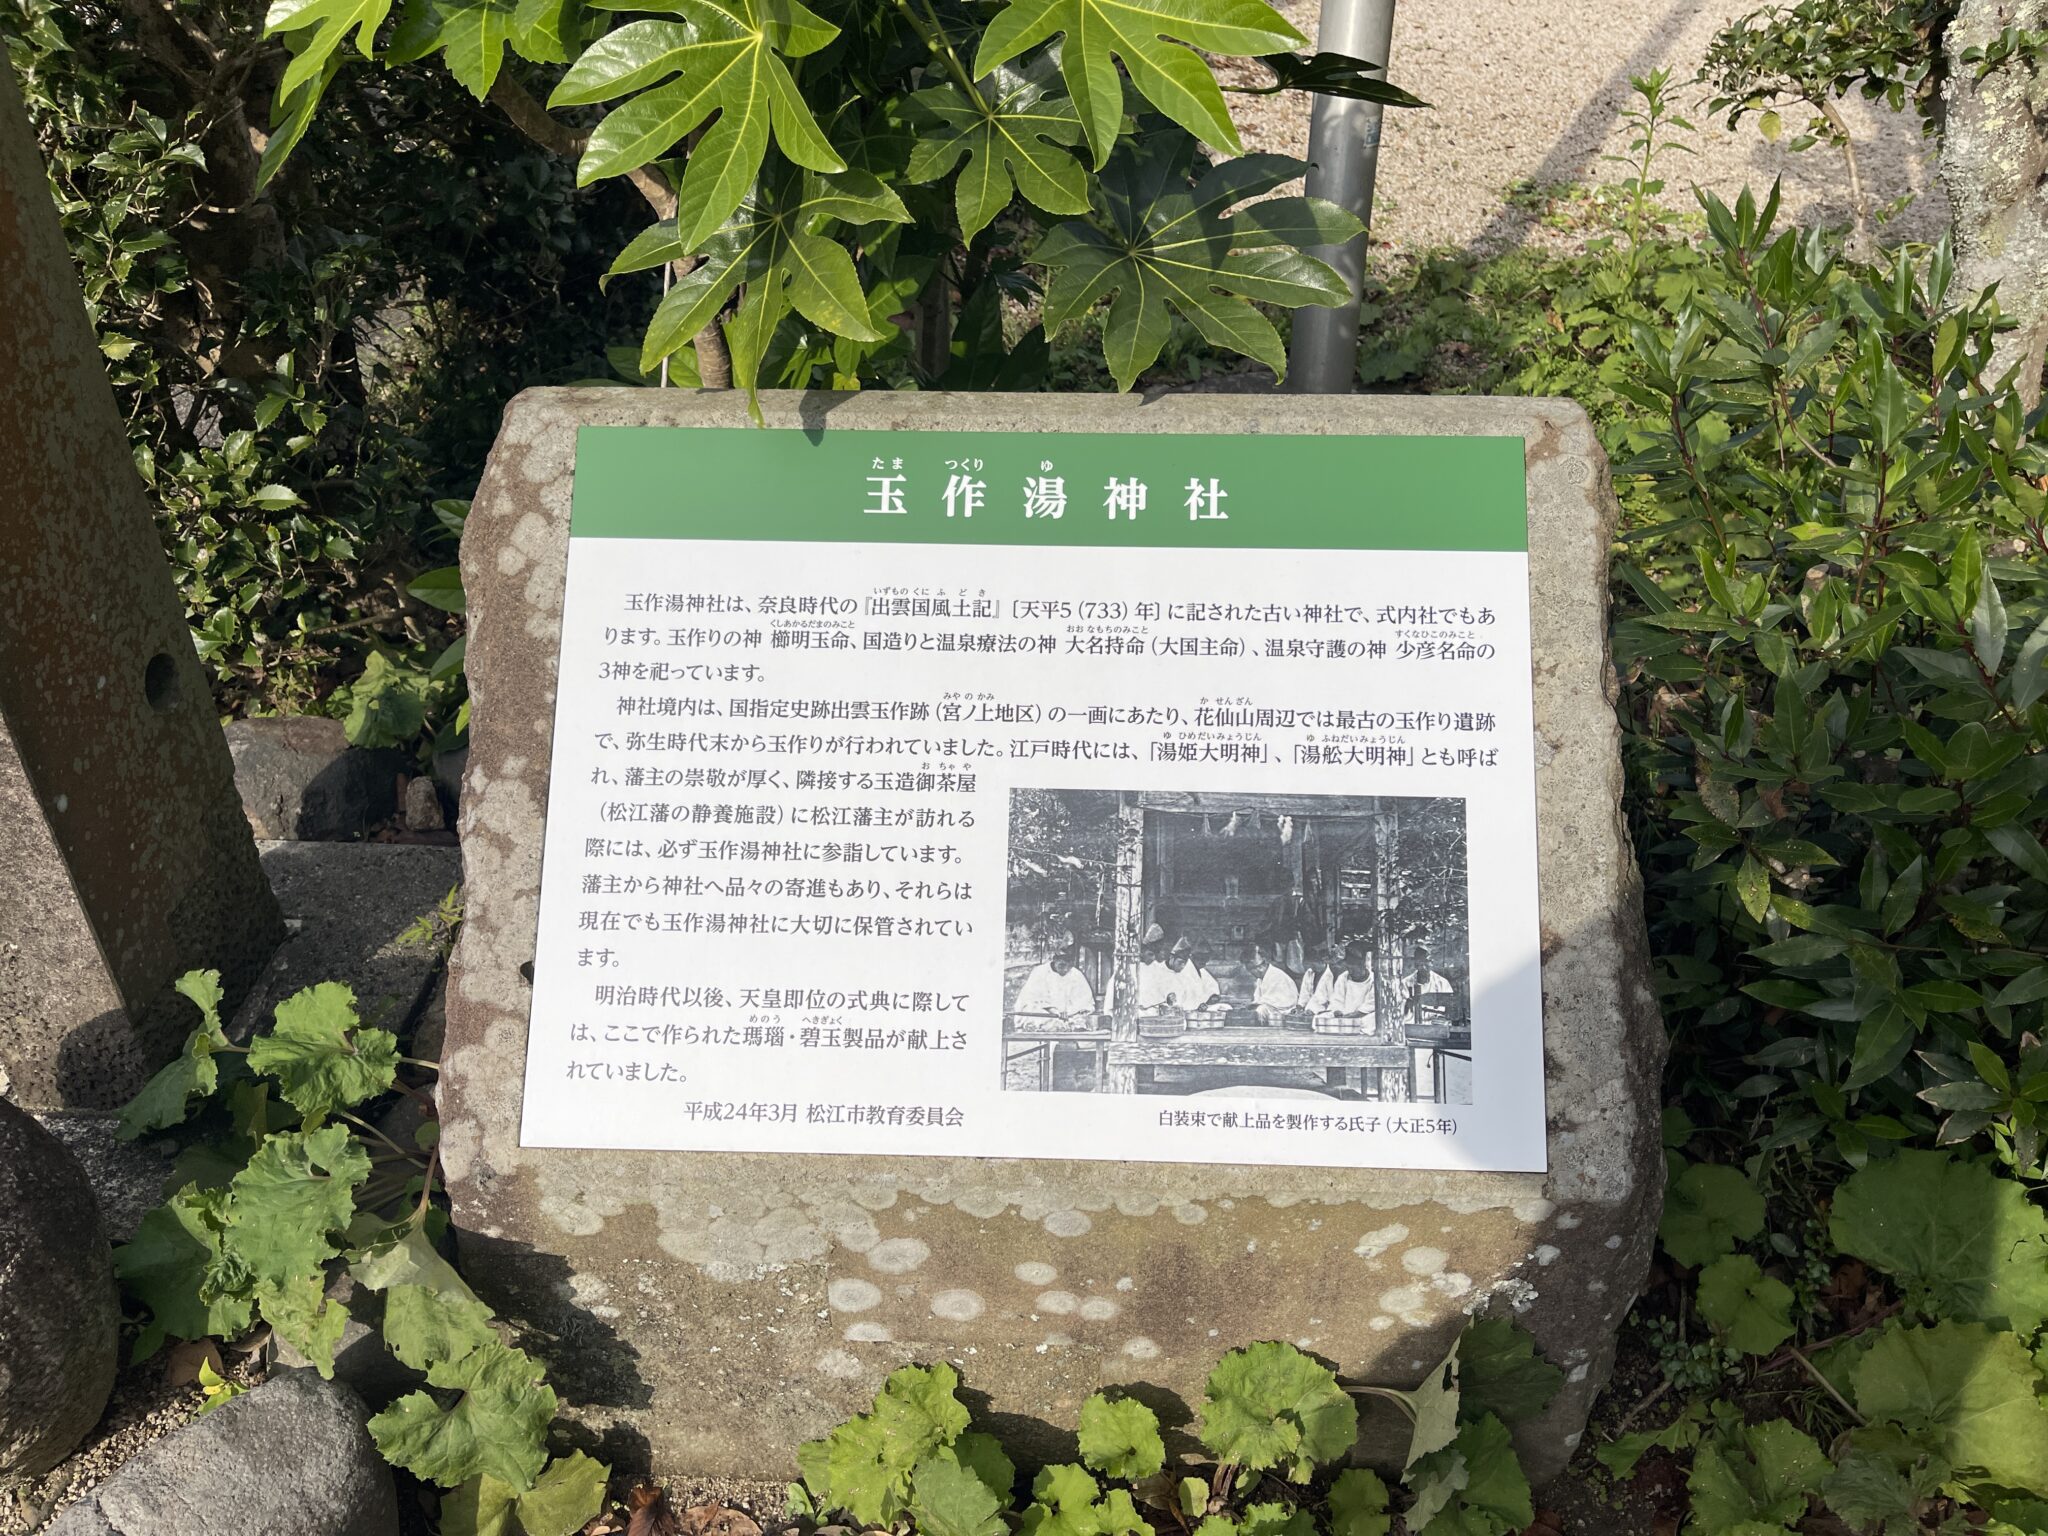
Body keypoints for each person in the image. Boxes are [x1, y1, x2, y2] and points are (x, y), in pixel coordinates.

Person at [1012, 941, 1096, 1028]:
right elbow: (1031, 998)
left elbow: (1084, 1000)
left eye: (1069, 966)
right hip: (1045, 1014)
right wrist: (1053, 1010)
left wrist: (1069, 1012)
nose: (1065, 970)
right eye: (1062, 965)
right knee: (1035, 1016)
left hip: (1069, 1015)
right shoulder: (1040, 972)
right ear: (1055, 960)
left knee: (1079, 1022)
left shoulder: (1076, 974)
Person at [1324, 940, 1377, 1032]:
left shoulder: (1373, 980)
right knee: (1321, 1017)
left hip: (1362, 1017)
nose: (1350, 971)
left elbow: (1370, 1006)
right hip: (1344, 1015)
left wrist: (1352, 1016)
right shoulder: (1343, 977)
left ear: (1362, 966)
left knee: (1372, 1020)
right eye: (1348, 968)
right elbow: (1337, 999)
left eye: (1353, 968)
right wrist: (1338, 1011)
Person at [1251, 940, 1299, 1024]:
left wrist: (1256, 1004)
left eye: (1253, 969)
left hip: (1284, 1011)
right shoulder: (1261, 978)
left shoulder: (1276, 975)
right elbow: (1259, 998)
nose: (1252, 972)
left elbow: (1277, 1001)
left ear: (1263, 964)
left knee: (1261, 1010)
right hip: (1273, 1009)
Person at [1296, 942, 1333, 1016]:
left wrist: (1316, 1010)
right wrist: (1299, 1008)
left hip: (1324, 1014)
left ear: (1321, 961)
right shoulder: (1309, 973)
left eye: (1312, 964)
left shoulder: (1331, 975)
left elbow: (1332, 1002)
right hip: (1308, 1012)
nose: (1310, 967)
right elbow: (1304, 995)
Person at [1185, 940, 1222, 1011]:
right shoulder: (1185, 971)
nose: (1203, 961)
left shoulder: (1203, 972)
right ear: (1192, 956)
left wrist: (1213, 996)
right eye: (1200, 958)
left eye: (1206, 958)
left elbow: (1213, 987)